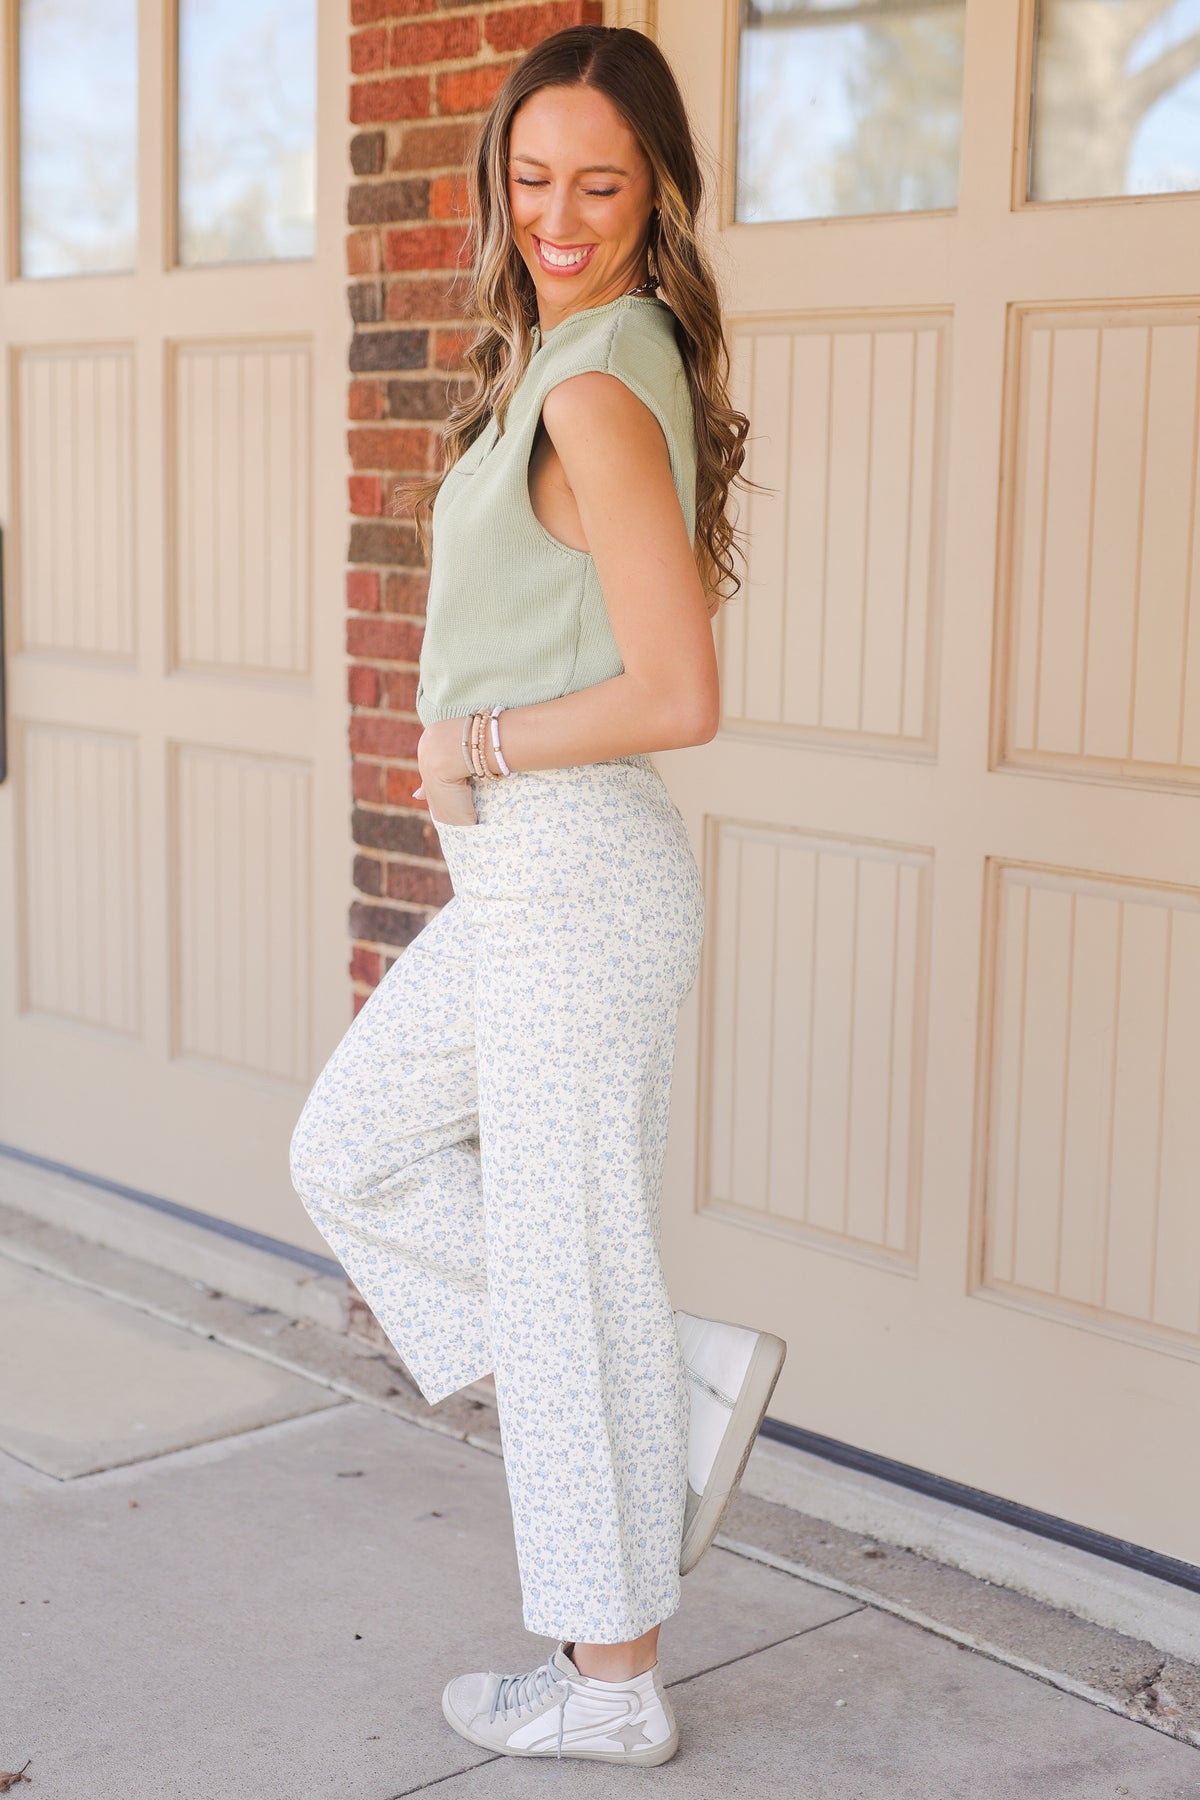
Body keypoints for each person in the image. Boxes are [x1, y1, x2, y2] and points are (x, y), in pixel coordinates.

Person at [288, 23, 785, 1768]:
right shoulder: (578, 350)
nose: (558, 214)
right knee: (352, 1153)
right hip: (541, 878)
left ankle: (608, 1683)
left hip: (574, 870)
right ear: (499, 183)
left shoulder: (589, 381)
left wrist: (477, 741)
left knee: (567, 1274)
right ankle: (659, 1384)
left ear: (656, 197)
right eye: (532, 178)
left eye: (601, 184)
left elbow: (677, 693)